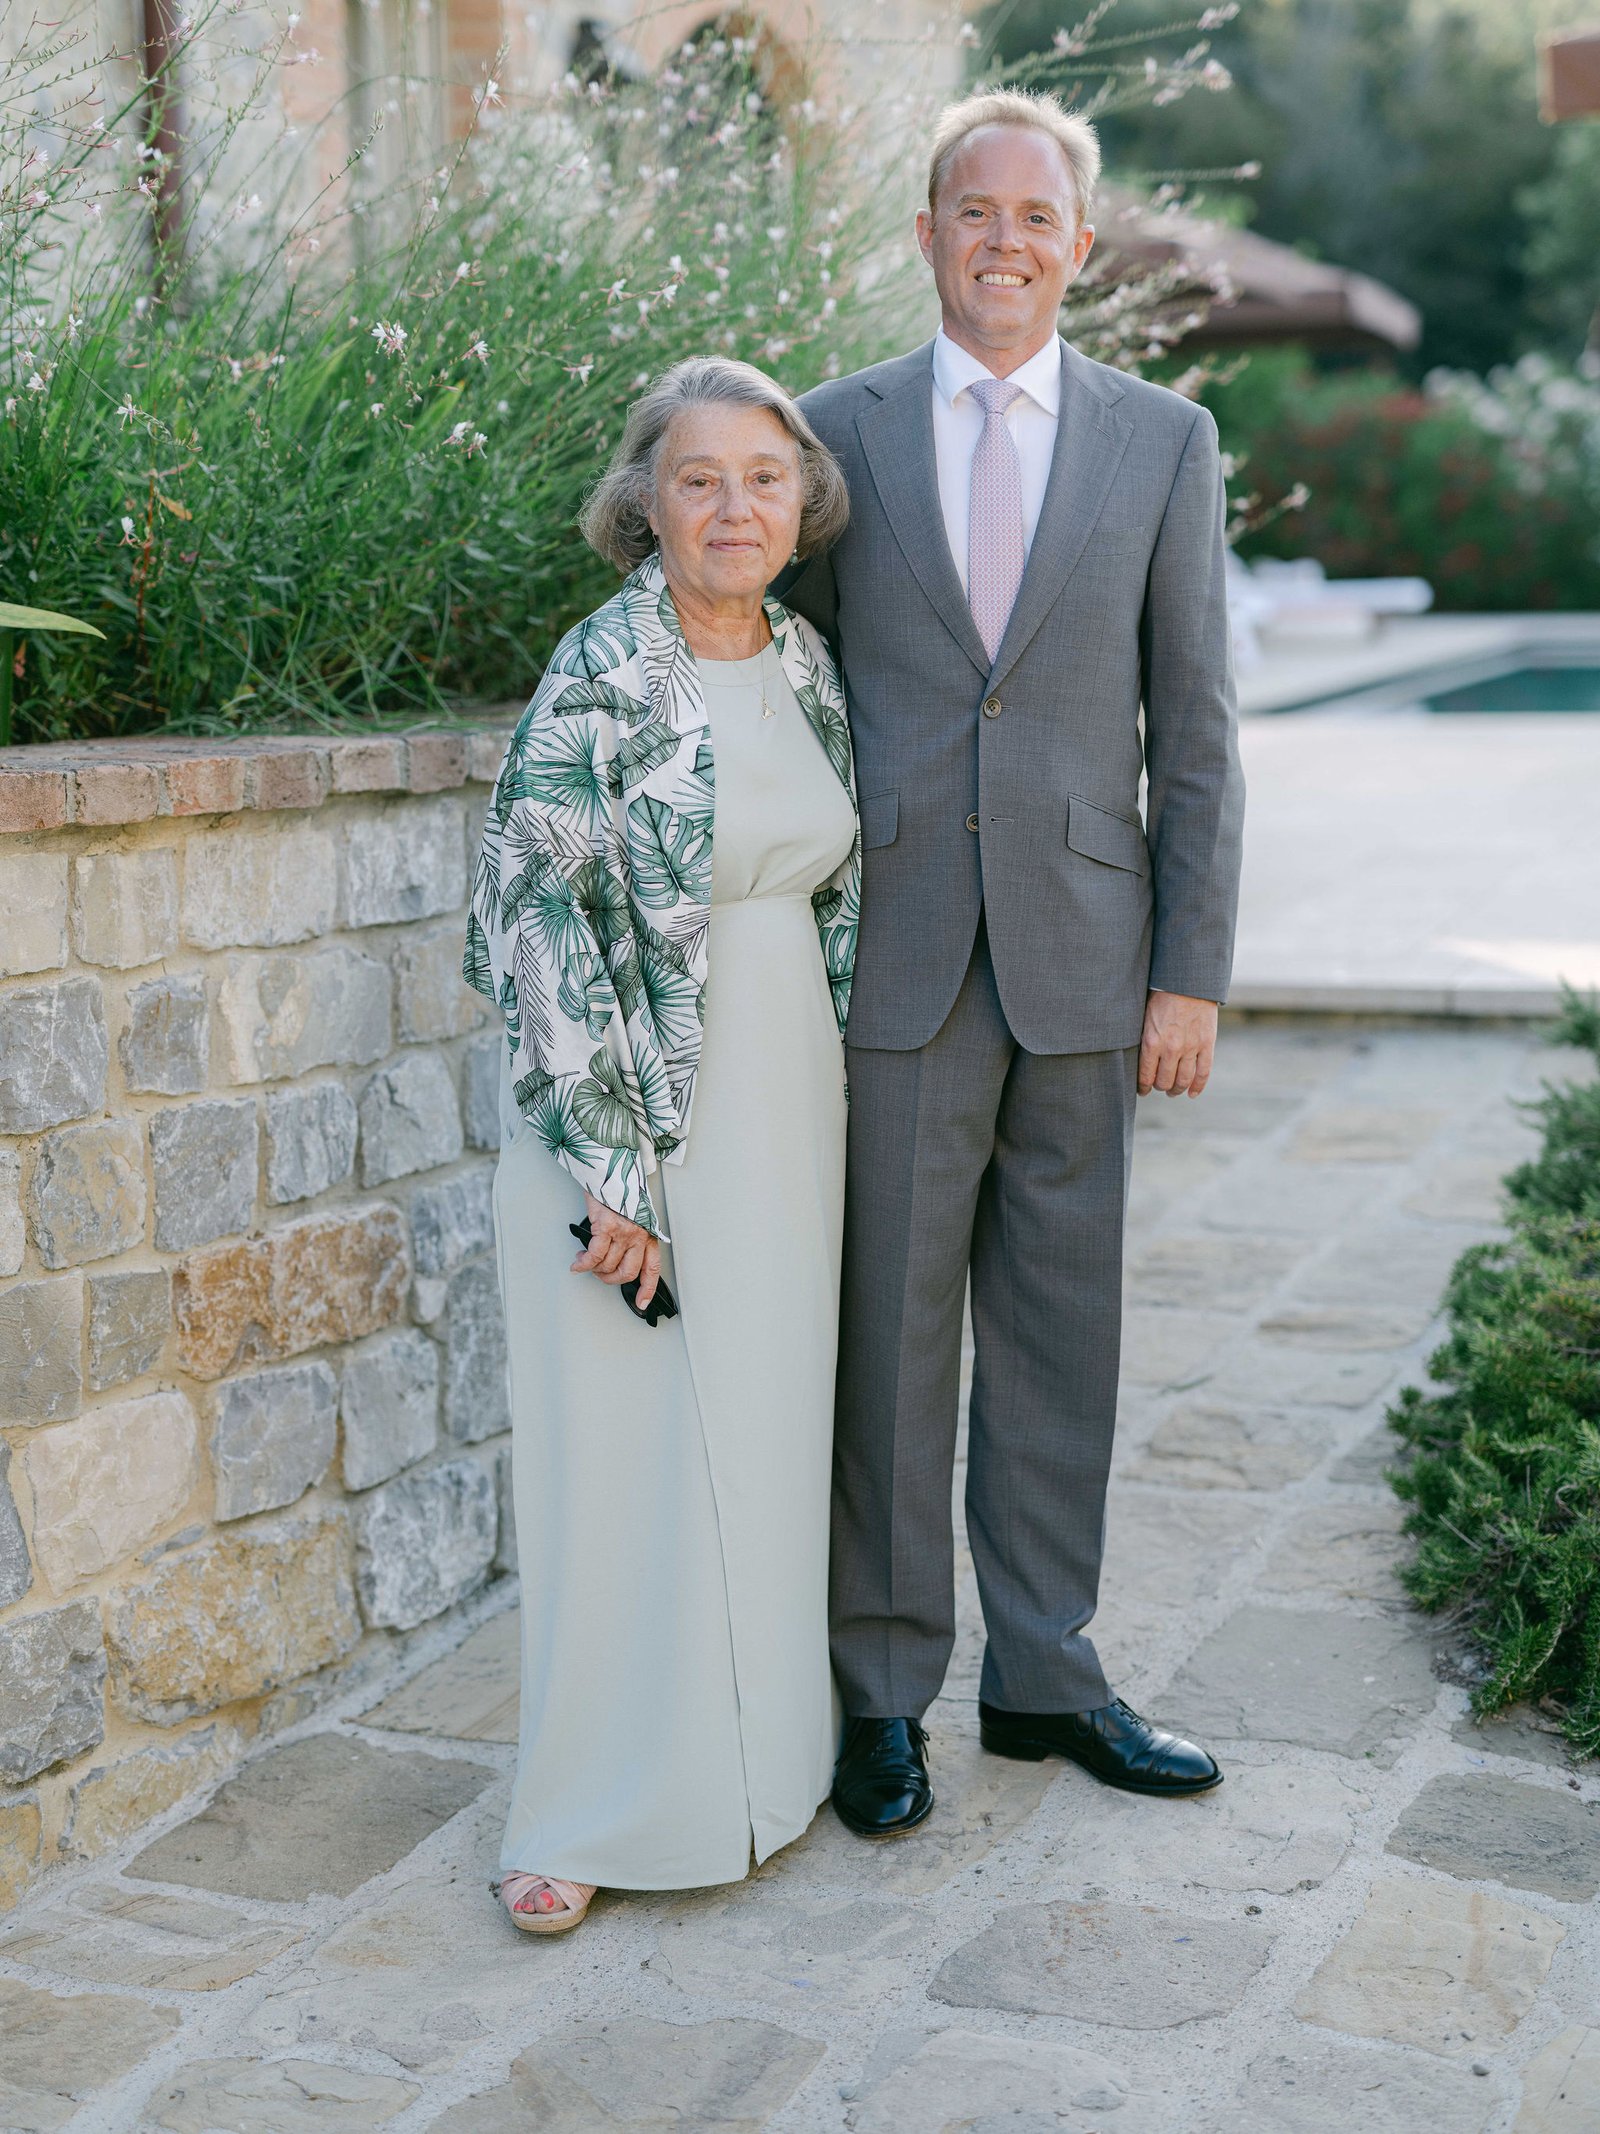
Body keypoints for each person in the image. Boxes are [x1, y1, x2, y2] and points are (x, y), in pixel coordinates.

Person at [783, 88, 1246, 1838]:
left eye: (1035, 216)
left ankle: (1046, 1671)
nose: (1002, 240)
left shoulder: (1163, 443)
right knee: (888, 1336)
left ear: (1078, 239)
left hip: (1087, 955)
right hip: (893, 956)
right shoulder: (834, 438)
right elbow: (790, 702)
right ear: (926, 236)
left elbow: (1194, 733)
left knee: (1062, 1327)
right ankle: (882, 1693)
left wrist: (1188, 968)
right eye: (970, 211)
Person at [464, 357, 859, 1930]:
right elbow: (532, 918)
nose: (733, 506)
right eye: (699, 479)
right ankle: (576, 1810)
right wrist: (610, 1173)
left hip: (787, 1113)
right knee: (617, 1463)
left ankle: (758, 1778)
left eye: (763, 476)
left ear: (801, 499)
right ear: (645, 501)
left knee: (758, 1451)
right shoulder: (602, 675)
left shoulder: (809, 662)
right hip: (629, 1124)